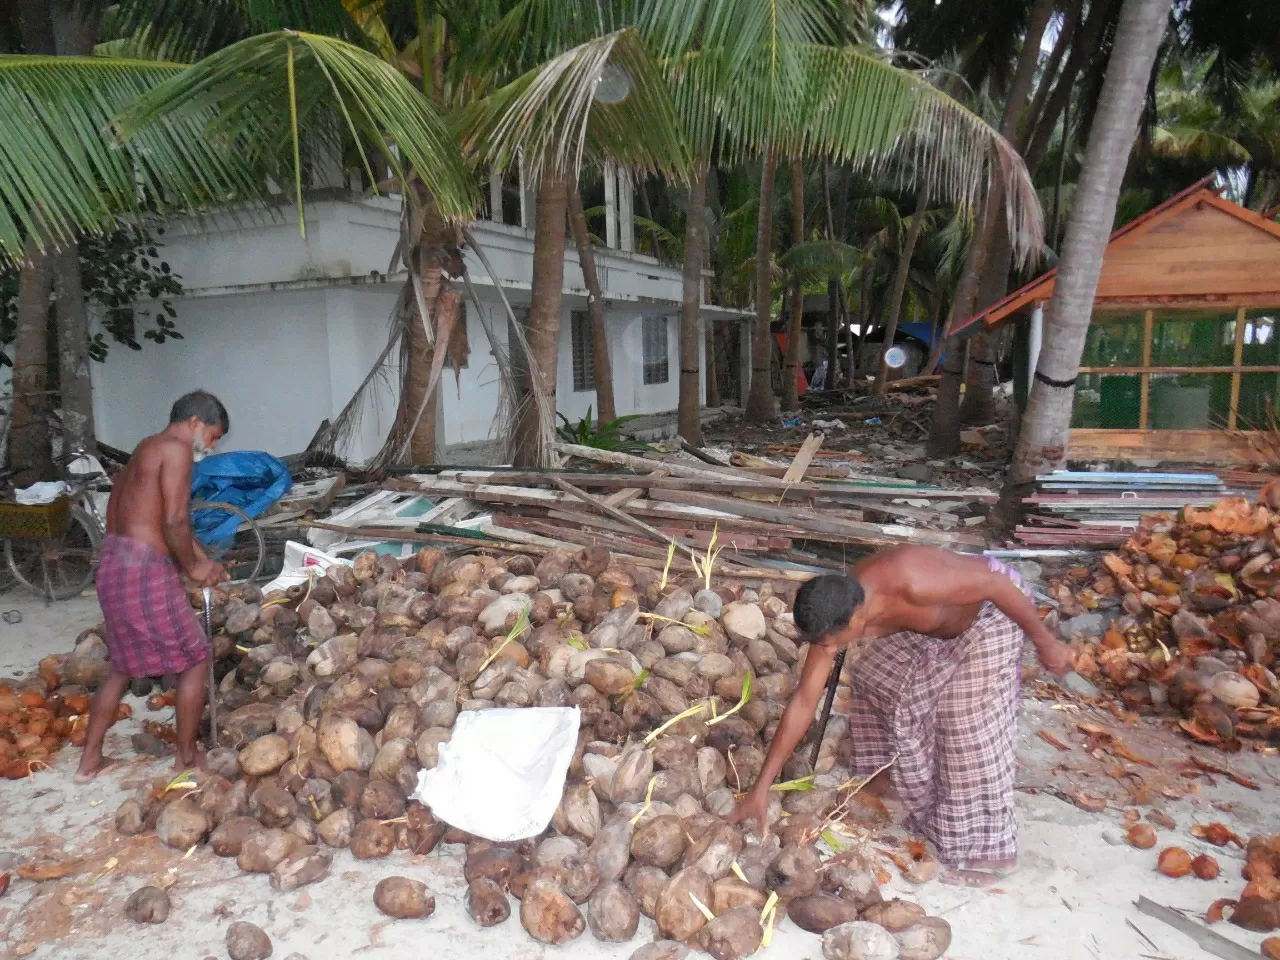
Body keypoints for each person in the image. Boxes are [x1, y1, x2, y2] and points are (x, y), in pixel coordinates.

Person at [727, 546, 1073, 887]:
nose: (829, 651)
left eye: (834, 644)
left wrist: (1045, 643)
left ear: (858, 617)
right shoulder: (836, 613)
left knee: (962, 720)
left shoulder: (911, 579)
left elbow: (999, 586)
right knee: (874, 675)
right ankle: (890, 776)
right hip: (935, 627)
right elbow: (804, 701)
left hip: (995, 611)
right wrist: (761, 788)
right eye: (825, 645)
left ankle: (987, 847)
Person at [75, 391, 230, 783]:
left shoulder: (145, 449)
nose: (210, 448)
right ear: (196, 423)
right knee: (195, 658)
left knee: (121, 668)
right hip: (143, 570)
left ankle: (89, 761)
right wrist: (194, 567)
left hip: (114, 562)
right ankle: (187, 757)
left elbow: (156, 520)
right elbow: (175, 522)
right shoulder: (176, 450)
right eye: (213, 436)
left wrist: (202, 560)